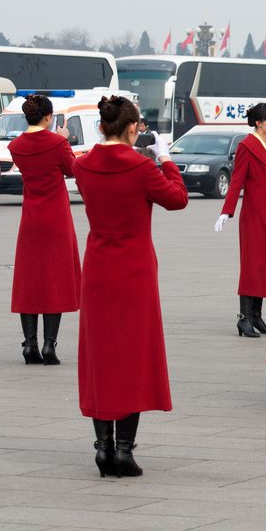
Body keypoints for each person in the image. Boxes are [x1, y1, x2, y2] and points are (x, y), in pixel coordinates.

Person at [74, 95, 187, 478]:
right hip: (134, 270)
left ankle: (103, 448)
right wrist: (167, 158)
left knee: (100, 357)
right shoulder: (140, 166)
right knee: (133, 357)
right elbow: (178, 199)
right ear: (132, 128)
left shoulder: (83, 165)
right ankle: (124, 450)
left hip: (98, 268)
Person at [8, 94, 80, 366]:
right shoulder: (58, 143)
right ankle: (50, 344)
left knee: (29, 280)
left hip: (30, 220)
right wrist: (64, 139)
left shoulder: (16, 146)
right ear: (48, 117)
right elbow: (72, 170)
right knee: (55, 279)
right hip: (57, 219)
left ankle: (30, 344)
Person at [215, 103, 266, 337]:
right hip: (255, 214)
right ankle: (244, 317)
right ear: (258, 122)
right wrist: (227, 210)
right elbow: (237, 180)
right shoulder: (246, 145)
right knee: (252, 264)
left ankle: (257, 315)